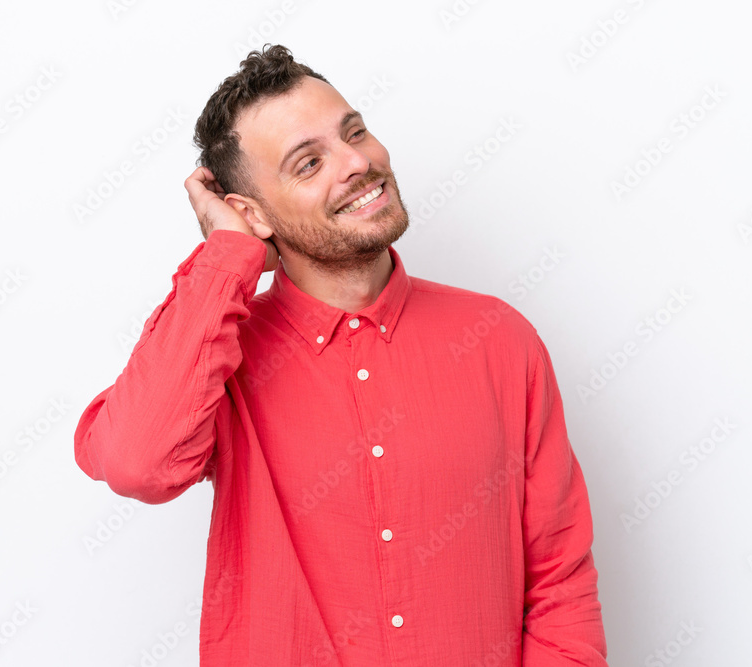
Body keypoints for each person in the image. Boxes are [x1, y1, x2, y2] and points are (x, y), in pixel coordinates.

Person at [74, 44, 608, 666]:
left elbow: (559, 580)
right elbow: (138, 463)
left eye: (354, 131)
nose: (357, 161)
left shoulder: (498, 336)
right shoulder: (222, 355)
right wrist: (226, 257)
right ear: (252, 213)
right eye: (309, 162)